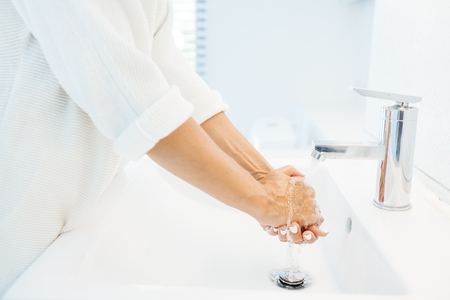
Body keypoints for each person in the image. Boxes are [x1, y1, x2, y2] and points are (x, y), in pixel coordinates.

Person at [0, 0, 327, 297]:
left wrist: (263, 176)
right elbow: (140, 108)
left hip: (75, 221)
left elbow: (181, 90)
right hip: (23, 240)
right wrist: (267, 201)